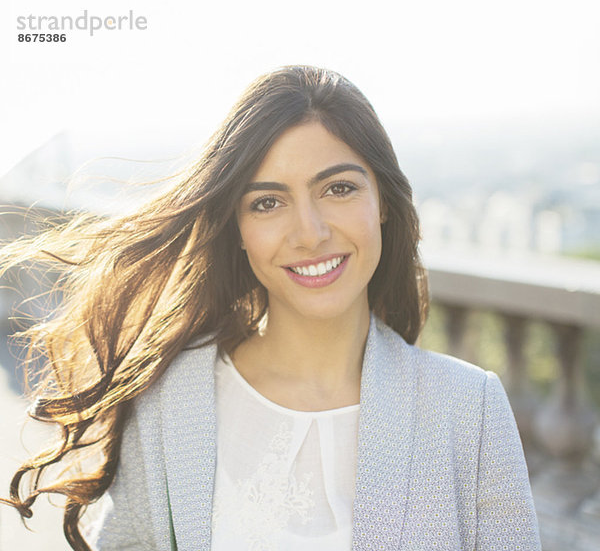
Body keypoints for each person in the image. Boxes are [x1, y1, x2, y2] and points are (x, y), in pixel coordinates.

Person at [0, 65, 541, 550]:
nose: (309, 233)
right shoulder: (170, 401)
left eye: (338, 189)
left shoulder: (469, 409)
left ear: (384, 204)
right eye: (267, 202)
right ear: (236, 230)